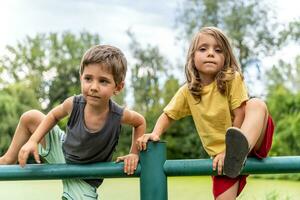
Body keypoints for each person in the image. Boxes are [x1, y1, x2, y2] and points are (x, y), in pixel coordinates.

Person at [136, 27, 274, 200]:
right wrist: (155, 133)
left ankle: (237, 152)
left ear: (225, 58)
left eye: (218, 50)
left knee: (256, 104)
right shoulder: (188, 91)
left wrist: (228, 150)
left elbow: (239, 114)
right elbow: (168, 115)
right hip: (222, 159)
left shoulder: (232, 78)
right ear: (192, 57)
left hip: (251, 137)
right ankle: (234, 157)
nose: (210, 53)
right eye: (203, 49)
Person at [0, 44, 146, 200]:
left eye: (103, 81)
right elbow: (53, 116)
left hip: (84, 179)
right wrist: (33, 140)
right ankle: (8, 159)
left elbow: (140, 122)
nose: (94, 87)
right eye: (88, 79)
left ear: (118, 87)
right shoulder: (74, 103)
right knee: (32, 116)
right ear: (81, 78)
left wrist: (133, 154)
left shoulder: (118, 114)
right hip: (62, 150)